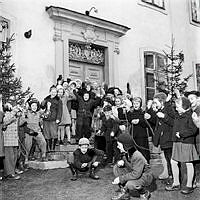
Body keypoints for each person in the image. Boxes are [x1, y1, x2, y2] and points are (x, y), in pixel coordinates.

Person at [165, 97, 199, 194]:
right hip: (177, 142)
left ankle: (189, 185)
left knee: (188, 163)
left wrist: (181, 134)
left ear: (184, 107)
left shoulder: (191, 115)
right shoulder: (178, 114)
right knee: (173, 161)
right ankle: (176, 183)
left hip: (186, 142)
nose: (176, 108)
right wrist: (167, 101)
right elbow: (170, 111)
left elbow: (193, 130)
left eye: (178, 107)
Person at [111, 132, 154, 200]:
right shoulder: (126, 152)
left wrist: (120, 179)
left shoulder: (137, 155)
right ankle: (125, 193)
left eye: (119, 145)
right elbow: (130, 165)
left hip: (145, 176)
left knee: (130, 184)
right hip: (136, 172)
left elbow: (136, 174)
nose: (117, 146)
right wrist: (121, 162)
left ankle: (144, 192)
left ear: (125, 145)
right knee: (116, 168)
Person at [152, 92, 174, 181]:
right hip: (163, 139)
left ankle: (173, 176)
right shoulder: (160, 110)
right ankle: (170, 175)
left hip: (169, 139)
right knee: (167, 158)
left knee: (170, 159)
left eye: (156, 102)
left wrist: (164, 116)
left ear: (162, 102)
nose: (155, 105)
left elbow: (174, 122)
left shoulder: (168, 109)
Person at [127, 97, 150, 163]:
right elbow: (128, 118)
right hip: (134, 134)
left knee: (143, 150)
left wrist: (139, 121)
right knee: (134, 150)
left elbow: (147, 124)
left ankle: (145, 163)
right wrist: (131, 120)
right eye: (134, 103)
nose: (135, 105)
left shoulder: (143, 112)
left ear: (140, 104)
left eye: (137, 103)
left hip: (142, 135)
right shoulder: (131, 113)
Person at [41, 85, 62, 151]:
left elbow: (60, 110)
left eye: (55, 92)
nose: (54, 93)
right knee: (47, 134)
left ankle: (53, 148)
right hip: (46, 119)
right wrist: (43, 103)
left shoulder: (58, 100)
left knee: (54, 134)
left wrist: (58, 118)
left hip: (54, 119)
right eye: (52, 92)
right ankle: (48, 148)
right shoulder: (46, 99)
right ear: (50, 92)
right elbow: (42, 107)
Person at [3, 104, 22, 180]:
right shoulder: (6, 115)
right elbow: (5, 123)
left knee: (14, 156)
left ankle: (12, 171)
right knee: (9, 157)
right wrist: (14, 114)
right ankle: (9, 174)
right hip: (8, 140)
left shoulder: (14, 116)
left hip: (14, 139)